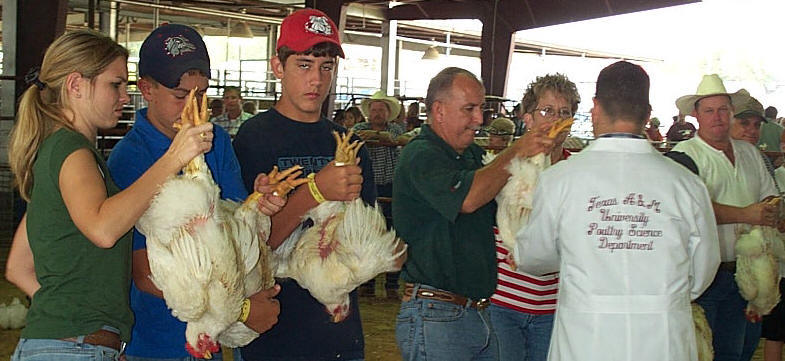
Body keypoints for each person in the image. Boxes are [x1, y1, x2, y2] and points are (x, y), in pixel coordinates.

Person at [4, 30, 210, 361]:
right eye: (114, 85)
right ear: (76, 86)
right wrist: (174, 158)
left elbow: (17, 266)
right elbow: (103, 229)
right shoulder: (71, 151)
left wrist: (84, 323)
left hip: (71, 345)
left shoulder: (63, 153)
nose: (125, 97)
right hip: (72, 349)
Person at [515, 61, 720, 361]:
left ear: (595, 108)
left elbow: (533, 256)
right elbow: (703, 270)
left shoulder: (560, 180)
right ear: (647, 114)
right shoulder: (686, 185)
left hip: (585, 338)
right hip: (663, 339)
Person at [107, 24, 283, 361]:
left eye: (202, 95)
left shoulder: (214, 141)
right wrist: (239, 310)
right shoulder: (130, 158)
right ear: (146, 88)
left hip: (211, 338)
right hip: (156, 342)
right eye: (180, 95)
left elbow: (232, 229)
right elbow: (144, 273)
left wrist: (257, 205)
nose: (193, 108)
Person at [232, 9, 375, 361]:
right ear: (277, 67)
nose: (316, 80)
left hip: (339, 334)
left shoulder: (347, 144)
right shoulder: (253, 139)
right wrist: (314, 193)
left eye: (326, 67)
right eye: (304, 65)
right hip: (275, 335)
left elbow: (366, 244)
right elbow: (246, 251)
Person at [393, 67, 551, 361]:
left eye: (481, 108)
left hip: (475, 312)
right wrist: (517, 152)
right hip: (436, 313)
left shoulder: (470, 156)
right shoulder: (421, 155)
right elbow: (468, 198)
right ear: (438, 111)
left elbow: (506, 201)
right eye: (470, 109)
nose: (479, 119)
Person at [673, 74, 778, 361]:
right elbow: (688, 210)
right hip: (704, 277)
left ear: (730, 112)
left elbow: (769, 195)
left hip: (748, 271)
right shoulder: (684, 155)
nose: (717, 117)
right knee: (702, 352)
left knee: (738, 352)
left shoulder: (749, 153)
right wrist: (748, 214)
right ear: (696, 115)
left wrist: (769, 208)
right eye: (709, 110)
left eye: (722, 109)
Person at [489, 73, 579, 361]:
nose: (556, 120)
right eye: (547, 111)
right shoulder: (500, 164)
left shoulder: (577, 171)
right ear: (526, 118)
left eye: (564, 112)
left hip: (554, 306)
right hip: (502, 302)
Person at [352, 90, 405, 299]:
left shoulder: (395, 130)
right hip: (367, 187)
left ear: (387, 113)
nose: (377, 113)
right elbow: (353, 139)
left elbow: (398, 140)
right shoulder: (359, 129)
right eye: (374, 110)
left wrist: (378, 138)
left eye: (381, 110)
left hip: (390, 186)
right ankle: (368, 282)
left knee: (392, 234)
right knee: (368, 234)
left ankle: (391, 284)